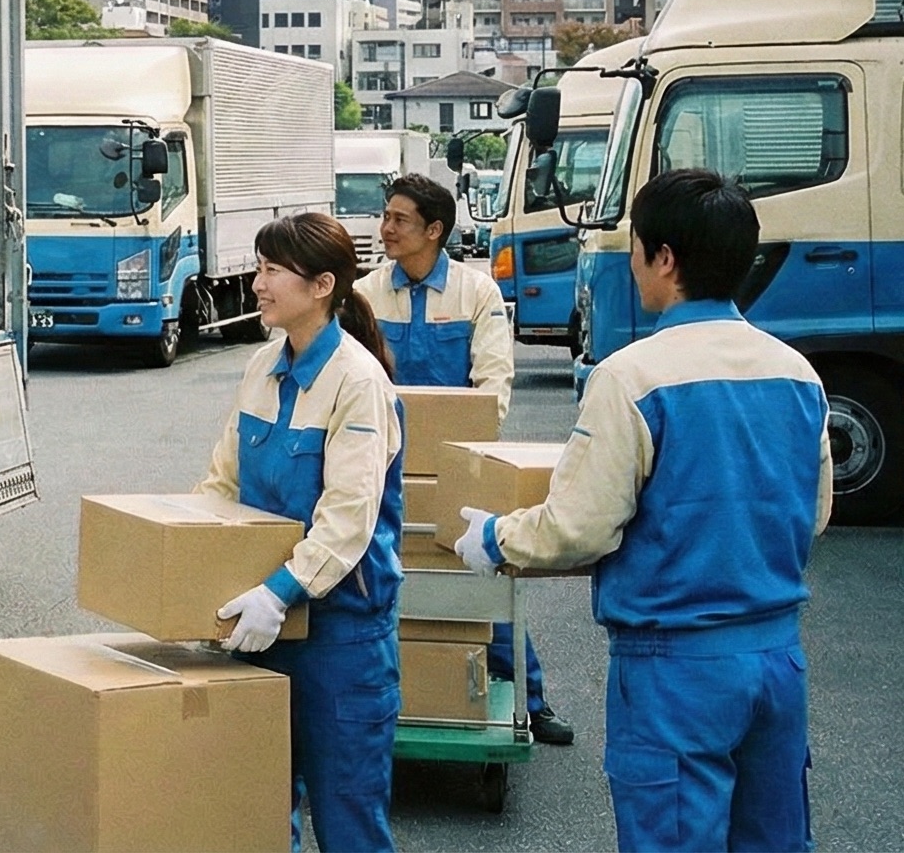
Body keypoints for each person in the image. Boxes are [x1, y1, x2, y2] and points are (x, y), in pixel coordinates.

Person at [455, 170, 833, 853]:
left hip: (674, 666)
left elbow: (579, 528)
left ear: (664, 258)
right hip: (776, 657)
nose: (630, 264)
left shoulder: (631, 377)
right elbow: (815, 512)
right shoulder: (797, 373)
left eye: (635, 248)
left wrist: (495, 537)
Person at [200, 211, 404, 853]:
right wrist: (190, 569)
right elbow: (222, 483)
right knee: (259, 813)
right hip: (258, 622)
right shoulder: (262, 366)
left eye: (271, 271)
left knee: (348, 819)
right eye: (258, 268)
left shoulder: (359, 383)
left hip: (340, 635)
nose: (257, 285)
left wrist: (280, 591)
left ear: (321, 286)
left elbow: (347, 518)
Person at [354, 172, 573, 747]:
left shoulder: (475, 293)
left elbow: (494, 382)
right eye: (386, 216)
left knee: (480, 574)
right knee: (382, 575)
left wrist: (466, 443)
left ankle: (531, 699)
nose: (386, 228)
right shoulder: (367, 293)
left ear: (434, 230)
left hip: (459, 461)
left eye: (399, 219)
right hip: (380, 460)